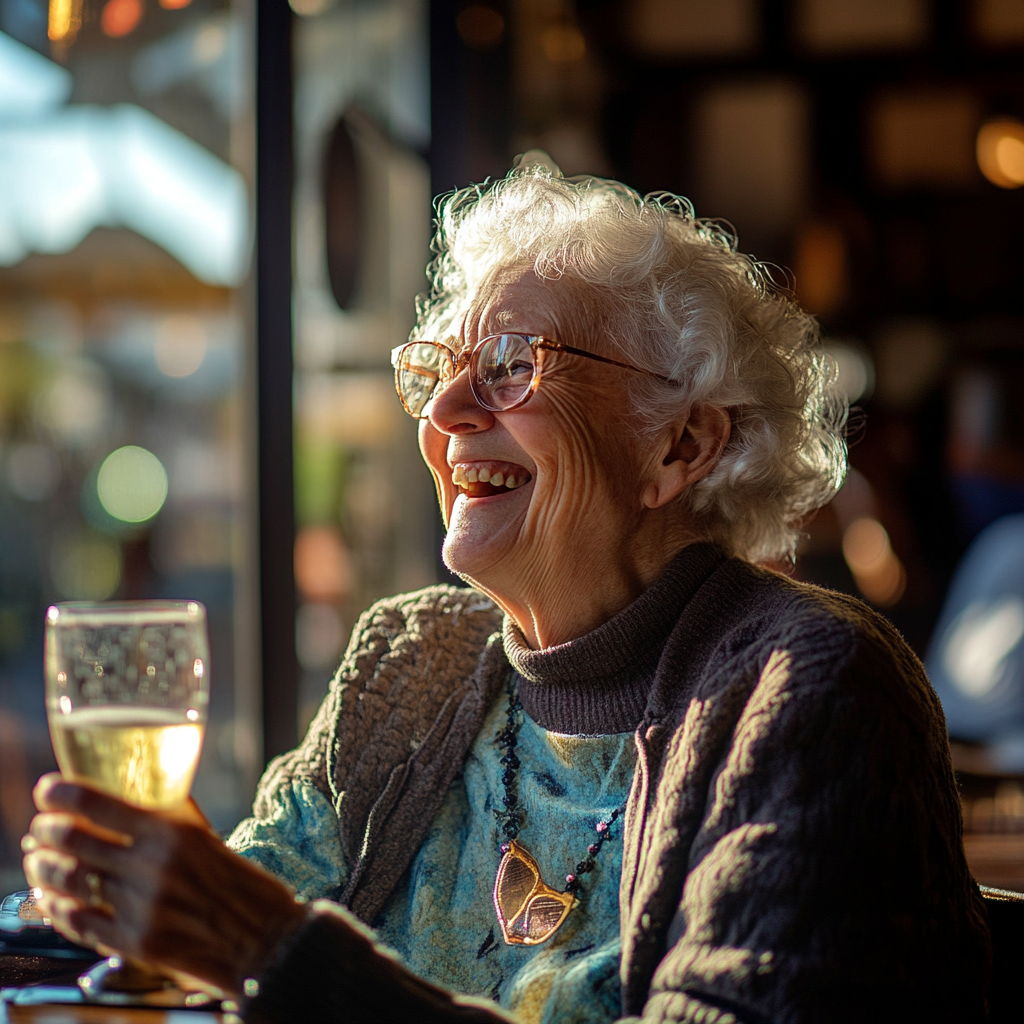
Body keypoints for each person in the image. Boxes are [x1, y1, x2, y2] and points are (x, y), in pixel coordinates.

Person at [23, 156, 989, 1023]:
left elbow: (256, 945)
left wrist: (267, 955)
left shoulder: (807, 693)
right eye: (440, 368)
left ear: (681, 444)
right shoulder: (416, 661)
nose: (444, 412)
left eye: (512, 366)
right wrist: (140, 893)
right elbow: (221, 920)